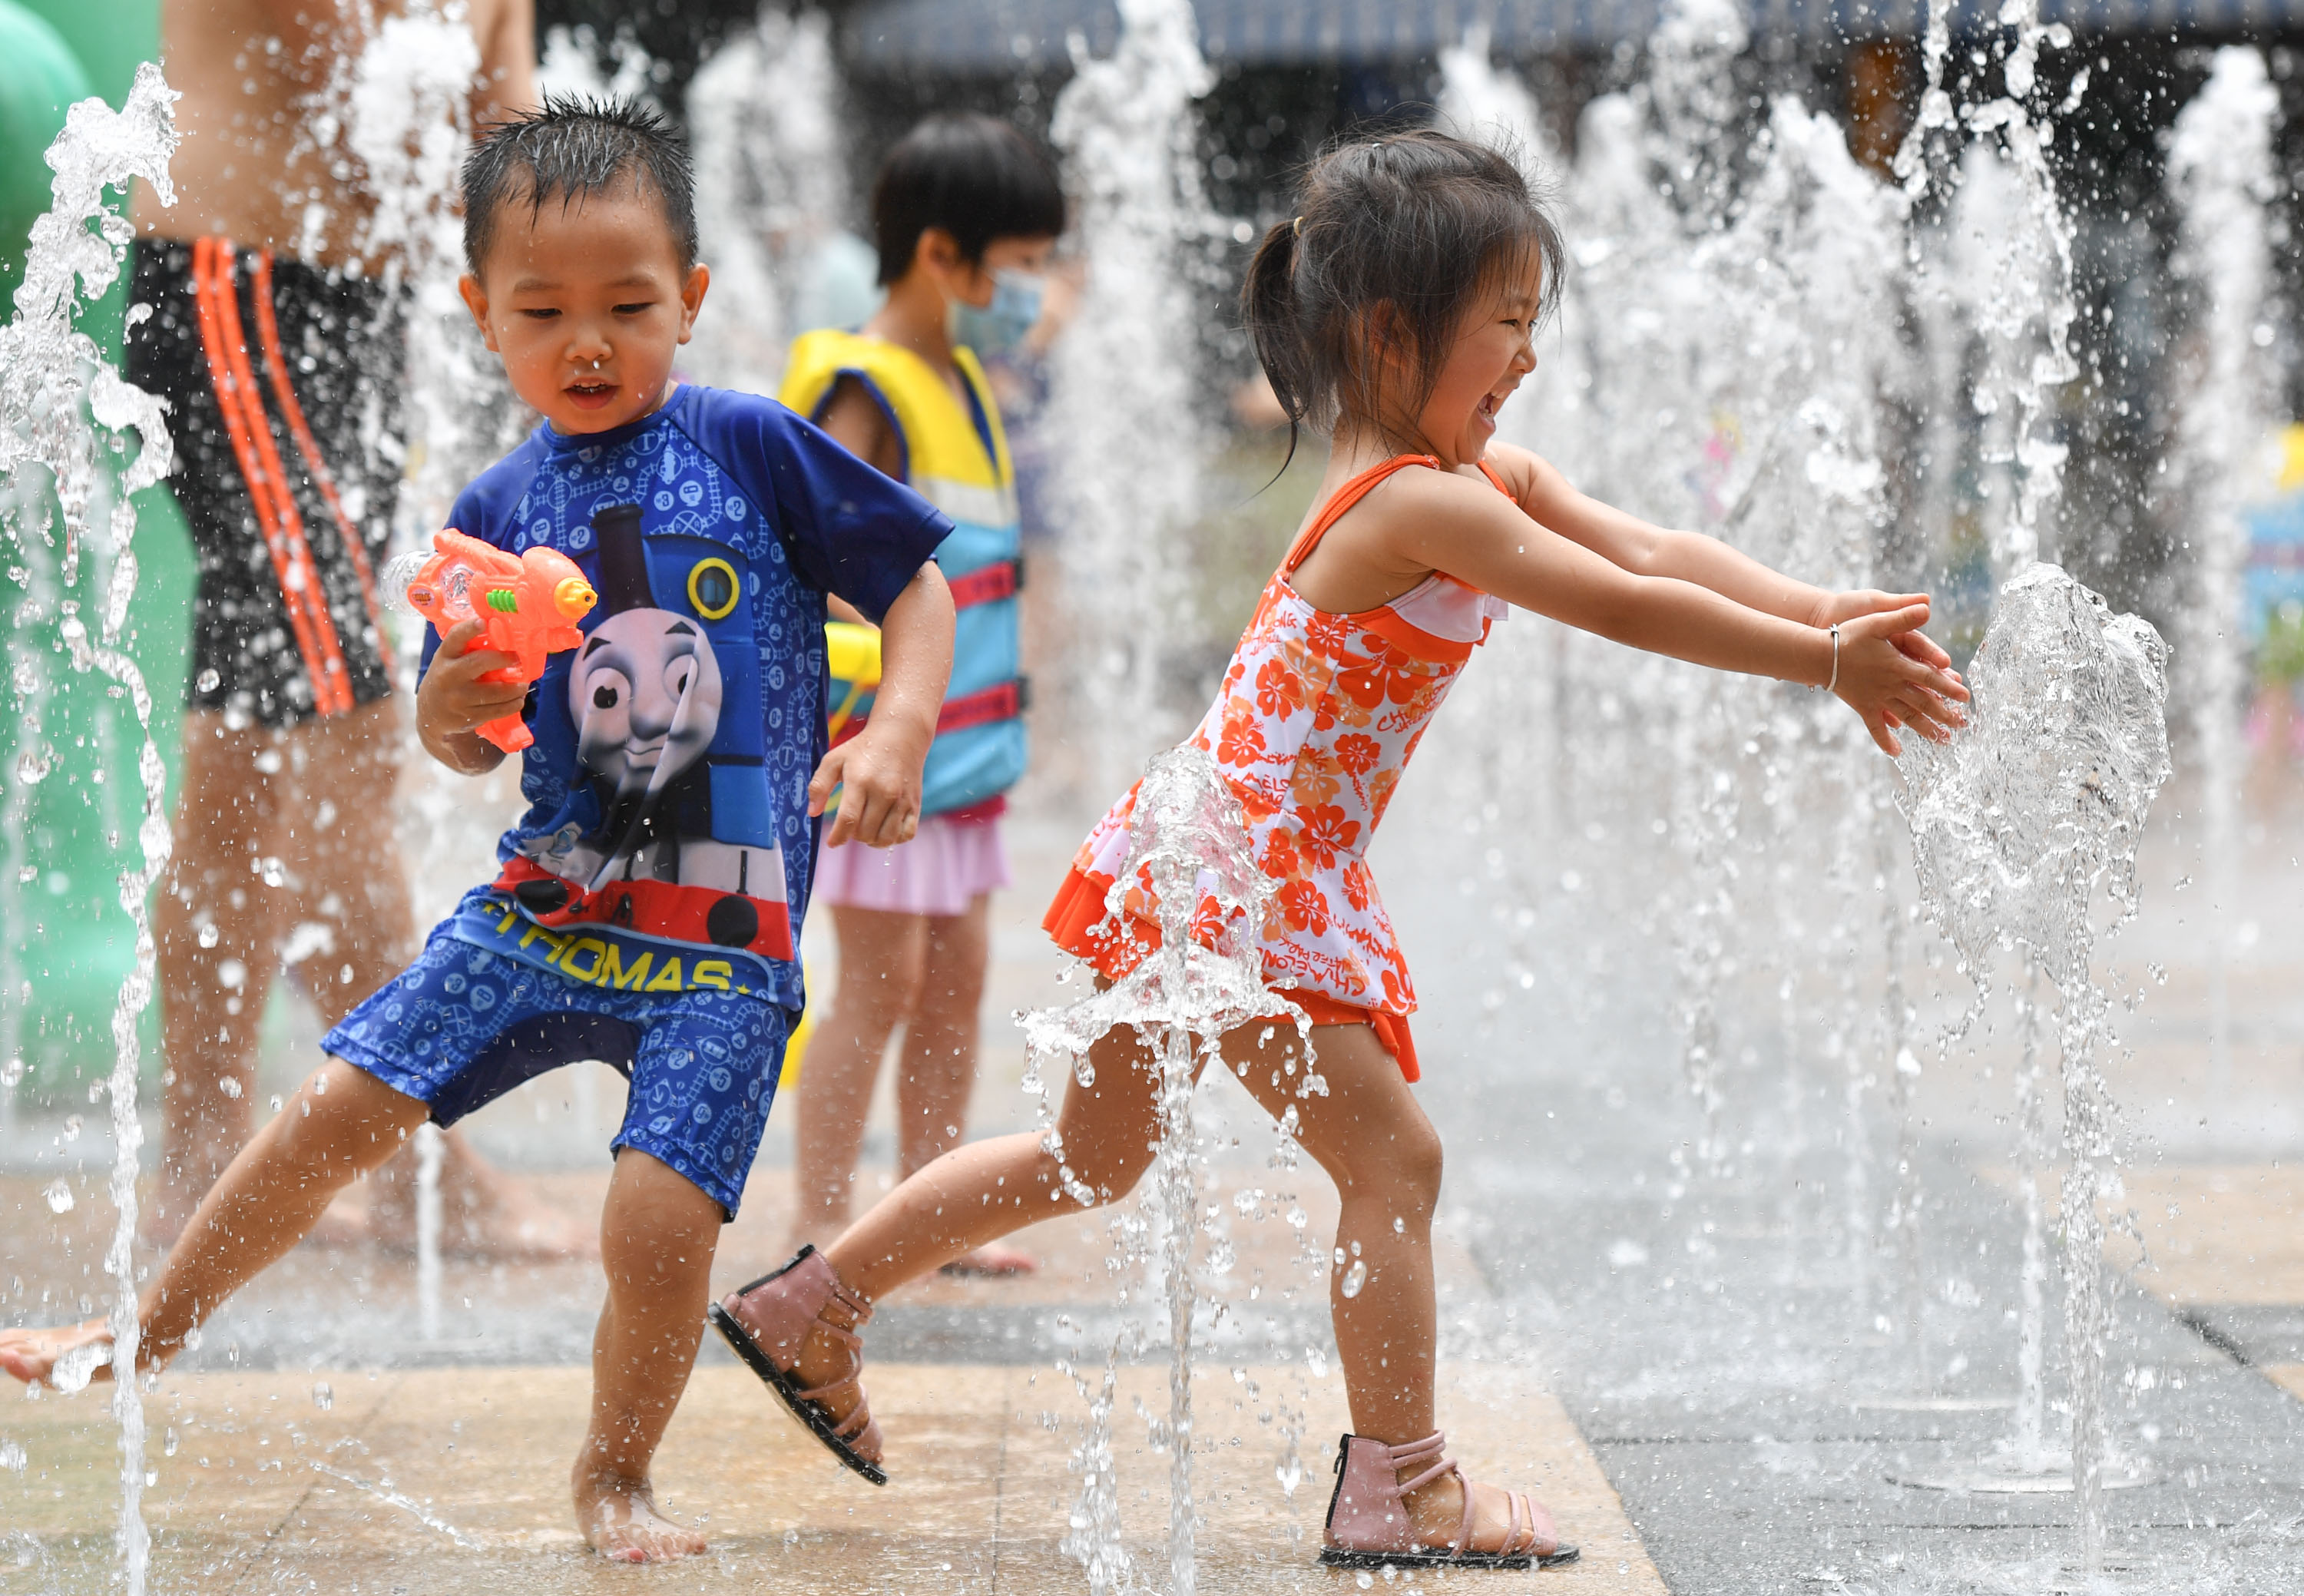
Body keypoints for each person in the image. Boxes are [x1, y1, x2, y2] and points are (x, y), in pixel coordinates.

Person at [712, 130, 1971, 1569]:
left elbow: (1655, 555)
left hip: (1202, 855)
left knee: (1090, 1154)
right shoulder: (1421, 505)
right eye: (1505, 327)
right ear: (1390, 333)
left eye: (1532, 327)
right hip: (1250, 874)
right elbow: (1614, 613)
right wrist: (1823, 668)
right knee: (1397, 1164)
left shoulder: (1467, 474)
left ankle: (814, 1304)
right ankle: (1402, 1484)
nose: (1527, 363)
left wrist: (1828, 609)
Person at [1, 98, 959, 1565]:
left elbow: (916, 586)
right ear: (481, 317)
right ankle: (148, 1327)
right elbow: (469, 738)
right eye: (545, 310)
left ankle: (614, 1474)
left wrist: (894, 726)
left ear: (692, 300)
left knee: (653, 1221)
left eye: (630, 306)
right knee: (338, 1102)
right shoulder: (497, 509)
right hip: (547, 903)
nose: (590, 341)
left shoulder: (757, 447)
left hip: (724, 938)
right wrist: (455, 699)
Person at [127, 0, 577, 1253]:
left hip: (348, 310)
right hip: (242, 286)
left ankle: (207, 1151)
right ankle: (409, 1162)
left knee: (252, 750)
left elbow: (506, 136)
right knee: (350, 732)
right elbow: (358, 53)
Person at [775, 115, 1062, 1276]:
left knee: (958, 981)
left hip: (965, 765)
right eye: (1024, 265)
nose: (1035, 294)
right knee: (880, 983)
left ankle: (928, 1206)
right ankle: (821, 1211)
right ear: (944, 256)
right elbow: (818, 560)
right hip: (885, 763)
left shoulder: (965, 382)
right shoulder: (869, 390)